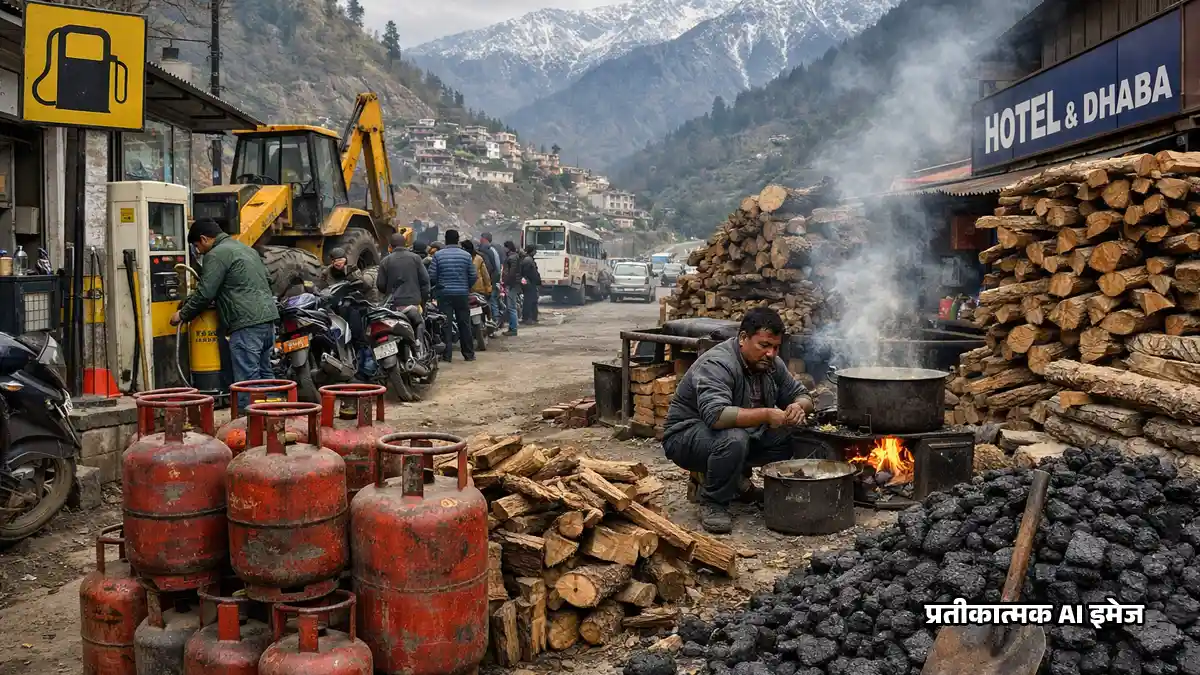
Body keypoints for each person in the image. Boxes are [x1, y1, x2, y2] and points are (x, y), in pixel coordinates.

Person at [662, 308, 814, 534]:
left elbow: (803, 396)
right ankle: (712, 502)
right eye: (764, 346)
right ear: (743, 338)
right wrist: (767, 414)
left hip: (740, 433)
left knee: (795, 433)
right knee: (734, 439)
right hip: (685, 437)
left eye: (775, 347)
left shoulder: (771, 364)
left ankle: (737, 483)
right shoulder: (718, 363)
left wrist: (797, 407)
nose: (771, 353)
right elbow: (716, 416)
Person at [171, 218, 279, 411]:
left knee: (247, 380)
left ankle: (248, 425)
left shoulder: (216, 255)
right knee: (265, 374)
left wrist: (182, 314)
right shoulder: (247, 249)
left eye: (197, 245)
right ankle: (271, 421)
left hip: (245, 323)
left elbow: (205, 292)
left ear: (204, 239)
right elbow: (267, 279)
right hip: (268, 319)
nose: (198, 250)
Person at [428, 230, 477, 362]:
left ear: (445, 239)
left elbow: (432, 276)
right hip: (462, 294)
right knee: (464, 324)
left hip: (444, 294)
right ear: (457, 239)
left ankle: (447, 355)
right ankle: (469, 354)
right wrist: (466, 286)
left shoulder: (438, 255)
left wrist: (439, 285)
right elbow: (473, 275)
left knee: (446, 324)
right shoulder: (466, 256)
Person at [377, 232, 430, 309]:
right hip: (413, 303)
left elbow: (380, 284)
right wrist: (423, 301)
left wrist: (389, 292)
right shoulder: (416, 258)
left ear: (390, 246)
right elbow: (425, 281)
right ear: (405, 244)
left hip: (394, 304)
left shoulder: (385, 261)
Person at [478, 233, 504, 327]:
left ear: (484, 239)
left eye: (481, 238)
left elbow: (488, 268)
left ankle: (492, 321)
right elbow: (497, 267)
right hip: (494, 279)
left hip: (489, 281)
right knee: (493, 301)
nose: (480, 240)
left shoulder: (485, 251)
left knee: (490, 301)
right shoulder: (493, 250)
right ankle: (495, 321)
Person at [500, 241, 522, 337]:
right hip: (514, 284)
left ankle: (513, 329)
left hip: (512, 285)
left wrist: (506, 282)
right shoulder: (515, 257)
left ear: (508, 248)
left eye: (505, 247)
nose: (504, 249)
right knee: (511, 307)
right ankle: (512, 327)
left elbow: (511, 273)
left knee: (511, 307)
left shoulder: (512, 258)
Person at [520, 245, 541, 325]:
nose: (535, 252)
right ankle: (528, 318)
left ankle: (532, 318)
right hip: (529, 284)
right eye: (534, 250)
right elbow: (531, 273)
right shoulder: (528, 260)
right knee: (529, 301)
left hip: (530, 283)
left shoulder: (528, 259)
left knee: (532, 301)